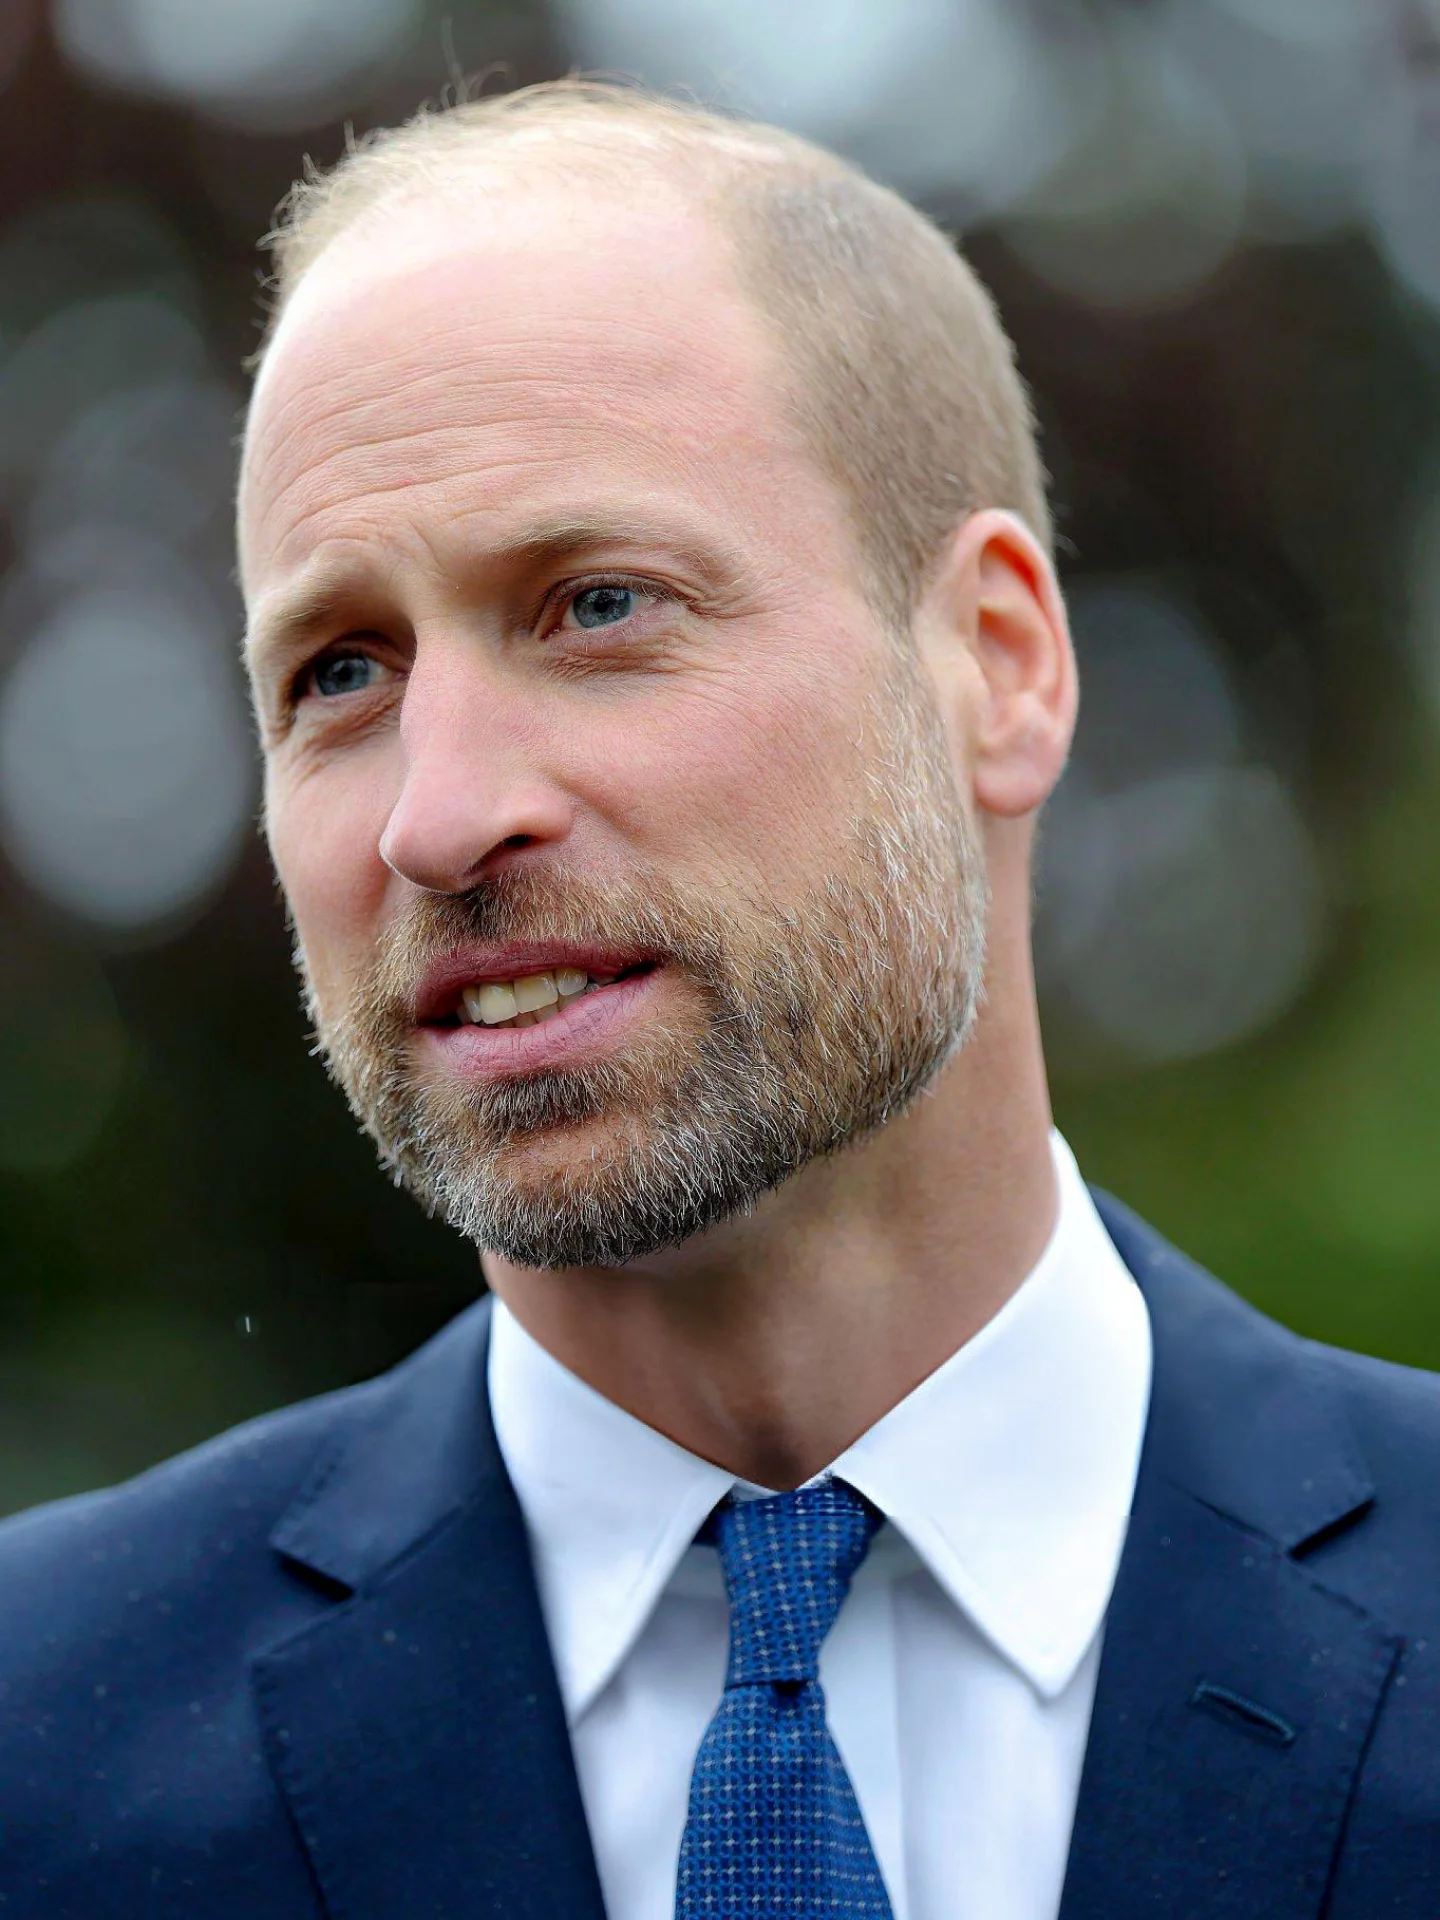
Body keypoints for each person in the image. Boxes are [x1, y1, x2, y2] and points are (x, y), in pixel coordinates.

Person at [1, 77, 1436, 1920]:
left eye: (596, 606)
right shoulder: (43, 1754)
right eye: (340, 671)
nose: (438, 814)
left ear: (996, 667)